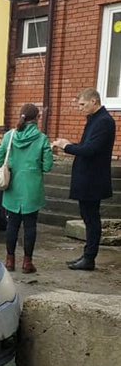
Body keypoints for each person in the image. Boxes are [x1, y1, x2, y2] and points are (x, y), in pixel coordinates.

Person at [52, 88, 116, 271]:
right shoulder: (95, 120)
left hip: (93, 180)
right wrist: (70, 144)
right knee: (88, 218)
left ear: (94, 101)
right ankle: (87, 256)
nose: (80, 108)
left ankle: (89, 259)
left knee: (91, 219)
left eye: (82, 104)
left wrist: (66, 147)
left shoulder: (103, 121)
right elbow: (86, 146)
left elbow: (90, 150)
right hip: (88, 179)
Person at [0, 103, 53, 274]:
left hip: (12, 187)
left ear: (21, 116)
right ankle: (27, 262)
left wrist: (12, 163)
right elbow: (48, 166)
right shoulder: (42, 139)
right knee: (30, 226)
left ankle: (9, 260)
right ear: (37, 118)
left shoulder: (9, 136)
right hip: (32, 189)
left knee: (12, 225)